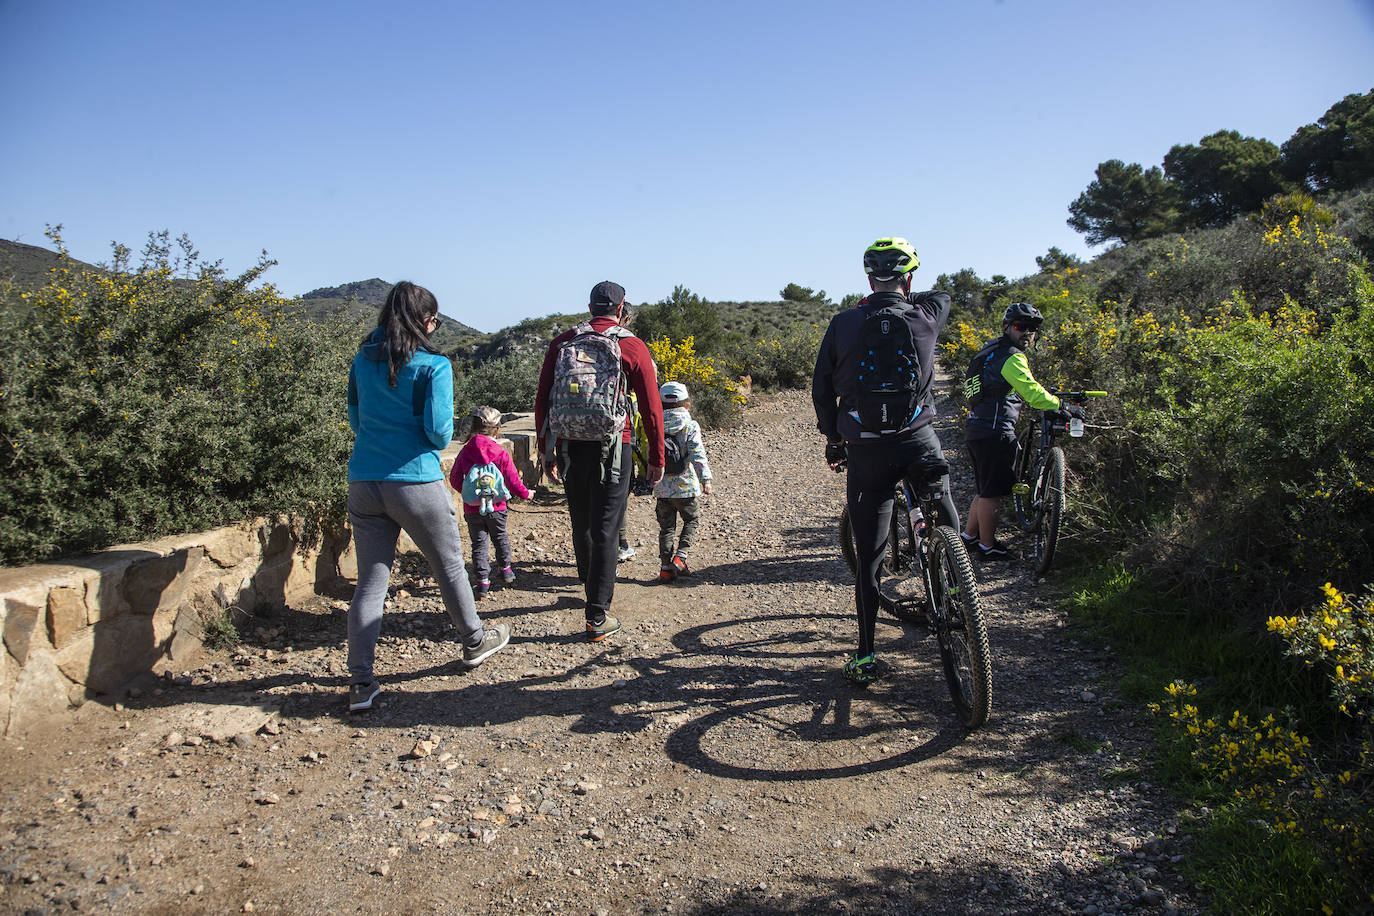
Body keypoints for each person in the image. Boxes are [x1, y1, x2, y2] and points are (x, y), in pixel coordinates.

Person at [344, 282, 510, 712]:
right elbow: (438, 435)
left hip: (364, 480)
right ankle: (474, 641)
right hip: (414, 480)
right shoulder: (433, 365)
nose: (435, 326)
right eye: (433, 320)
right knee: (449, 565)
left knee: (370, 583)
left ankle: (361, 682)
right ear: (423, 321)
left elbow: (356, 420)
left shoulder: (363, 359)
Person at [812, 237, 960, 685]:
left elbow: (822, 389)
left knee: (871, 553)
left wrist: (834, 437)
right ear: (909, 277)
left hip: (867, 450)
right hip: (918, 440)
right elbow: (943, 295)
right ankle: (957, 582)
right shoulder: (925, 316)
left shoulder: (843, 323)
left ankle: (866, 654)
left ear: (867, 277)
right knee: (941, 502)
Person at [535, 281, 664, 641]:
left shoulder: (563, 342)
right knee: (607, 524)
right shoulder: (631, 345)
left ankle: (588, 581)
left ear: (590, 306)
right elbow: (652, 408)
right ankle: (596, 615)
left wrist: (547, 449)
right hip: (614, 446)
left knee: (581, 519)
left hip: (571, 444)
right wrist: (656, 456)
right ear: (621, 307)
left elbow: (543, 400)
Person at [961, 302, 1082, 560]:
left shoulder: (989, 350)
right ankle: (987, 546)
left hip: (976, 427)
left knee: (984, 489)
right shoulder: (1011, 356)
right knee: (992, 494)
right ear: (1007, 327)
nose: (1027, 332)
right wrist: (1062, 405)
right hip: (995, 431)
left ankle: (969, 537)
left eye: (1033, 329)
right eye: (1021, 327)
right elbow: (1031, 392)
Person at [450, 406, 533, 597]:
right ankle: (505, 570)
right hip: (497, 507)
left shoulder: (465, 452)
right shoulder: (500, 452)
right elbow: (512, 480)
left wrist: (470, 495)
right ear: (497, 429)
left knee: (478, 544)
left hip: (472, 509)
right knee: (500, 537)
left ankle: (482, 581)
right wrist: (525, 494)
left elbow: (454, 479)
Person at [653, 381, 713, 582]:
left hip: (662, 487)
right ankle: (681, 558)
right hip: (685, 486)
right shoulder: (690, 425)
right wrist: (705, 479)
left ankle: (665, 568)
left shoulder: (656, 424)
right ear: (686, 404)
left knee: (666, 528)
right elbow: (698, 453)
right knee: (692, 520)